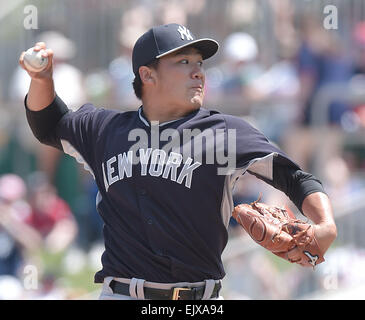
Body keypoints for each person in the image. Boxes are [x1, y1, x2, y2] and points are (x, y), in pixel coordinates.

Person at [19, 23, 337, 300]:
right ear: (148, 74)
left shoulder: (226, 133)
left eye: (199, 62)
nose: (197, 70)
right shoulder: (104, 130)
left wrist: (325, 223)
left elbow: (295, 178)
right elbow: (47, 123)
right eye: (183, 61)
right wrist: (42, 80)